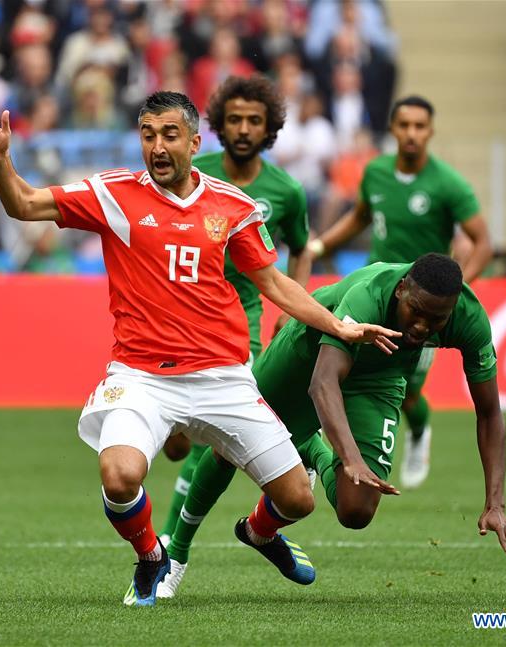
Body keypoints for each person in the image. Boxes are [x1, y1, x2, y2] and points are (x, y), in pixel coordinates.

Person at [0, 92, 399, 606]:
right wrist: (2, 162)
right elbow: (25, 204)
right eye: (148, 135)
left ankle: (258, 532)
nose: (157, 147)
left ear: (193, 141)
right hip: (141, 377)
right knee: (120, 476)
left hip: (224, 378)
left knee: (298, 498)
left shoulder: (230, 206)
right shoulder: (114, 193)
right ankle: (150, 556)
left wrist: (340, 328)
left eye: (169, 135)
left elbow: (275, 284)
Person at [158, 254, 506, 598]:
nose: (423, 326)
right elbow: (322, 383)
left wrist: (495, 503)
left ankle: (264, 523)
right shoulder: (367, 296)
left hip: (380, 377)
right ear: (402, 289)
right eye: (416, 311)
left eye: (437, 320)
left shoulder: (469, 318)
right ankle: (176, 555)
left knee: (356, 510)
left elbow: (489, 413)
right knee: (229, 446)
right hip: (308, 353)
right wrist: (348, 457)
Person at [303, 95, 493, 489]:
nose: (411, 134)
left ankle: (419, 431)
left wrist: (454, 294)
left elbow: (483, 242)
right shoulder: (375, 173)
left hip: (421, 312)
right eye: (404, 125)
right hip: (376, 299)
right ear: (392, 129)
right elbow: (359, 217)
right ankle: (316, 445)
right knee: (332, 372)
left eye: (419, 126)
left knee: (406, 394)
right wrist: (320, 246)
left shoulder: (448, 184)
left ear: (430, 131)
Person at [156, 75, 312, 550]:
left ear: (269, 129)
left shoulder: (286, 191)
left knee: (217, 435)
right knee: (178, 442)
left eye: (254, 121)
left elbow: (302, 248)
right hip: (175, 313)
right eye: (235, 119)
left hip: (239, 321)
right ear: (219, 126)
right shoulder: (189, 170)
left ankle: (171, 542)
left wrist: (295, 302)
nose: (244, 128)